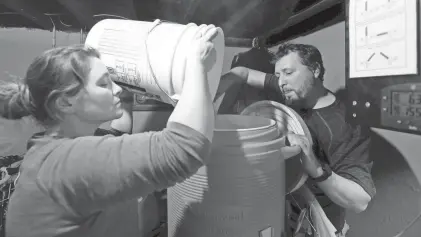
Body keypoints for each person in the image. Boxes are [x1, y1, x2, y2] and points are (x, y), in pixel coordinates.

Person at [1, 24, 220, 237]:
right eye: (104, 84)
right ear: (65, 103)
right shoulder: (67, 163)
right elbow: (185, 148)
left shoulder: (51, 150)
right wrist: (195, 66)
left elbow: (116, 137)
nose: (116, 89)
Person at [222, 43, 376, 236]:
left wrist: (315, 167)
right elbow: (243, 73)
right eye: (278, 75)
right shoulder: (291, 91)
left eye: (288, 72)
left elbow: (360, 201)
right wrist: (211, 90)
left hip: (316, 222)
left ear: (316, 70)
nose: (280, 82)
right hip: (281, 205)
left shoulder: (345, 125)